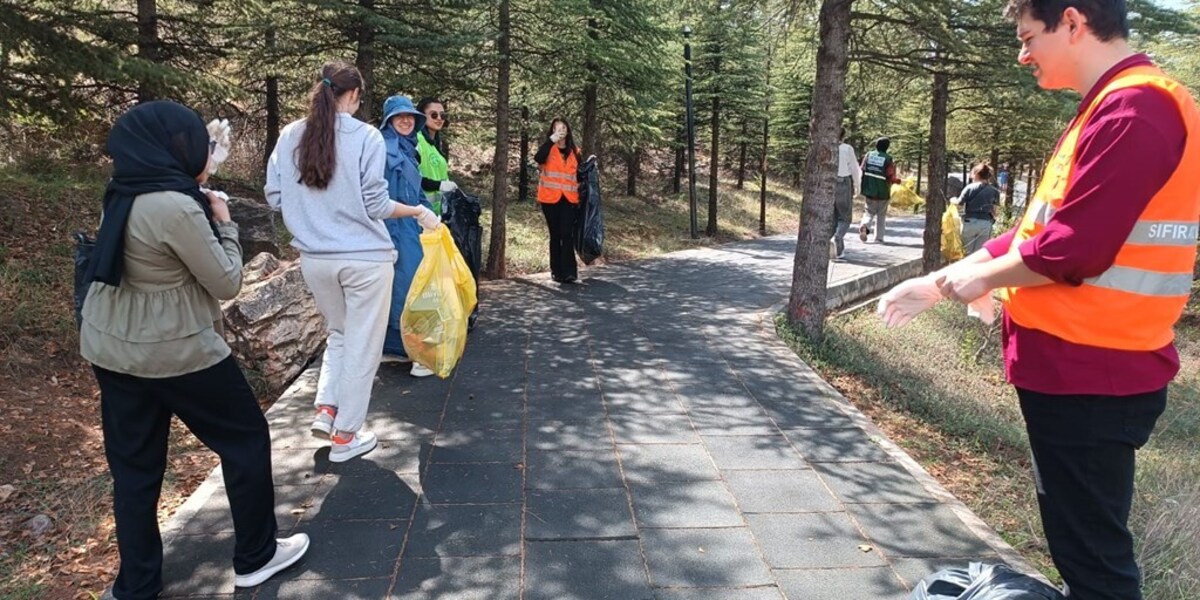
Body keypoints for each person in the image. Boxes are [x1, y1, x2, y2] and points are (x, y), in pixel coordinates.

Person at [882, 2, 1199, 599]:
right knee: (1084, 554)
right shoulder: (1111, 106)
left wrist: (978, 280)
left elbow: (1075, 248)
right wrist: (944, 278)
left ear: (1073, 23)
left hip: (1092, 375)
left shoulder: (1136, 108)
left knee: (1096, 568)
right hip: (1080, 371)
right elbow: (1036, 232)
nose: (1022, 55)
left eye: (1029, 37)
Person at [80, 101, 309, 599]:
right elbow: (226, 281)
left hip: (112, 347)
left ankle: (136, 584)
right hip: (178, 349)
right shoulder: (175, 206)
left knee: (135, 470)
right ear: (172, 150)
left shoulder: (122, 190)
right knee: (245, 440)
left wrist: (202, 182)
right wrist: (225, 222)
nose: (204, 153)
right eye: (196, 145)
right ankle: (256, 556)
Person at [265, 62, 440, 462]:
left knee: (340, 334)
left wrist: (311, 213)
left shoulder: (290, 134)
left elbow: (274, 196)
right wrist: (417, 211)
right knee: (363, 346)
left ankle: (327, 409)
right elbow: (376, 204)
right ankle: (346, 435)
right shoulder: (365, 137)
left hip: (315, 260)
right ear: (356, 95)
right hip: (364, 260)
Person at [378, 94, 435, 377]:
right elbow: (383, 198)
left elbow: (415, 191)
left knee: (406, 288)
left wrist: (430, 214)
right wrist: (391, 240)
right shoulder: (385, 150)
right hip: (395, 230)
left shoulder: (407, 148)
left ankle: (396, 348)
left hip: (409, 227)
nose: (405, 120)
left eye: (409, 116)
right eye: (399, 116)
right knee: (408, 289)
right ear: (388, 121)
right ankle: (415, 354)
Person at [534, 118, 582, 284]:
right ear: (552, 131)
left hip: (569, 199)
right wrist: (550, 141)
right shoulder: (548, 148)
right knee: (555, 234)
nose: (560, 131)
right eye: (556, 128)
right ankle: (557, 271)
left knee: (567, 234)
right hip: (550, 198)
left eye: (563, 128)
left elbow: (580, 174)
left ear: (568, 131)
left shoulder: (575, 151)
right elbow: (538, 158)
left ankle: (570, 272)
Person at [416, 97, 458, 215]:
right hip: (420, 213)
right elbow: (412, 179)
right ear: (422, 116)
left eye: (442, 115)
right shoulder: (416, 141)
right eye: (433, 115)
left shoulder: (434, 145)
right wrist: (439, 185)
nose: (439, 118)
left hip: (436, 213)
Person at [858, 136, 900, 244]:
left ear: (876, 145)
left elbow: (861, 169)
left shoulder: (869, 155)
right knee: (881, 215)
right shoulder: (888, 159)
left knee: (869, 212)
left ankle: (864, 226)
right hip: (883, 192)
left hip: (869, 190)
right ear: (887, 147)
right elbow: (890, 175)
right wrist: (897, 181)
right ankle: (878, 238)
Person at [954, 162, 1001, 254]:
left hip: (969, 222)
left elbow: (959, 203)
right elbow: (995, 211)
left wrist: (953, 200)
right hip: (986, 223)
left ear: (976, 174)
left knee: (967, 253)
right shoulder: (994, 191)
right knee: (978, 253)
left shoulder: (969, 188)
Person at [832, 126, 863, 261]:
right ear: (843, 136)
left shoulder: (825, 147)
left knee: (833, 216)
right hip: (843, 182)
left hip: (828, 184)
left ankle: (833, 246)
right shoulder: (847, 149)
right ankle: (837, 240)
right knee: (845, 217)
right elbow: (855, 169)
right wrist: (858, 186)